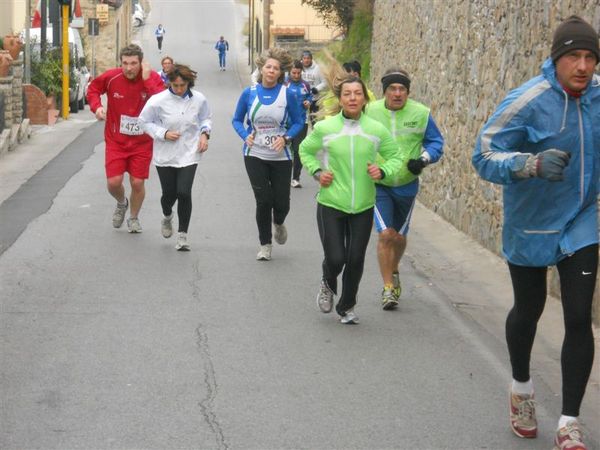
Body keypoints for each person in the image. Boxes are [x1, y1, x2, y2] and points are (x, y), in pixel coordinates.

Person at [472, 15, 599, 450]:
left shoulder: (599, 97)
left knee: (579, 317)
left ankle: (568, 420)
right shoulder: (529, 99)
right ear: (557, 58)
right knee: (529, 309)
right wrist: (529, 164)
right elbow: (483, 155)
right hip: (530, 223)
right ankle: (522, 389)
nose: (583, 66)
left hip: (579, 222)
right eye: (573, 56)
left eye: (590, 57)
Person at [299, 69, 403, 325]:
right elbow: (305, 150)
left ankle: (347, 306)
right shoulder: (326, 128)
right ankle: (327, 281)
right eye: (348, 94)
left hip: (364, 205)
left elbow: (396, 156)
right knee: (336, 258)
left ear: (365, 99)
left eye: (358, 94)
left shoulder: (375, 129)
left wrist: (383, 170)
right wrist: (317, 172)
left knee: (355, 259)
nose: (353, 98)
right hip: (331, 202)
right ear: (341, 99)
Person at [366, 68, 444, 310]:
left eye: (402, 90)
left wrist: (423, 159)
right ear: (385, 91)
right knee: (385, 234)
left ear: (408, 93)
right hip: (379, 184)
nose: (397, 93)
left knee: (399, 237)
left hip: (407, 185)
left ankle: (394, 268)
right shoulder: (371, 111)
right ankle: (388, 288)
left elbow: (436, 142)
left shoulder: (421, 114)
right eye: (393, 89)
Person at [231, 47, 304, 261]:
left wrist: (286, 138)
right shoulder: (249, 93)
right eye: (268, 67)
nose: (271, 71)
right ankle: (265, 244)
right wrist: (245, 135)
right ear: (261, 69)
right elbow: (236, 119)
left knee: (282, 203)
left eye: (276, 69)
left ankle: (279, 222)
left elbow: (299, 121)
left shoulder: (287, 94)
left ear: (281, 73)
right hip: (254, 154)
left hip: (281, 156)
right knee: (263, 200)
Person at [87, 44, 164, 233]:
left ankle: (134, 218)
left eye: (133, 63)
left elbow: (163, 102)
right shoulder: (112, 77)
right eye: (125, 63)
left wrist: (146, 80)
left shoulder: (151, 78)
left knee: (137, 182)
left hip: (142, 142)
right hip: (116, 140)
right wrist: (97, 107)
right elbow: (92, 89)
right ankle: (122, 203)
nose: (129, 68)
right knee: (113, 182)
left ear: (141, 63)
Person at [139, 64, 212, 251]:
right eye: (175, 85)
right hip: (165, 154)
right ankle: (167, 215)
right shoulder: (158, 100)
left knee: (184, 192)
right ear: (169, 83)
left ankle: (182, 236)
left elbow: (205, 118)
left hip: (189, 152)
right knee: (169, 194)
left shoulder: (199, 99)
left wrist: (205, 134)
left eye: (183, 85)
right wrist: (163, 133)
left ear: (189, 83)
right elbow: (144, 121)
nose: (179, 89)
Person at [284, 60, 312, 188]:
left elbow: (310, 97)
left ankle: (295, 178)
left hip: (301, 122)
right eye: (294, 73)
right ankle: (283, 176)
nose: (296, 75)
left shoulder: (305, 85)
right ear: (289, 72)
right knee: (285, 150)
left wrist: (308, 102)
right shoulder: (284, 83)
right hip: (286, 123)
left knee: (298, 150)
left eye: (298, 73)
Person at [300, 50, 326, 125]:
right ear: (302, 59)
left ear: (311, 59)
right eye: (304, 58)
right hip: (302, 100)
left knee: (315, 121)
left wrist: (317, 88)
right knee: (303, 122)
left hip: (315, 99)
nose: (306, 60)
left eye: (308, 58)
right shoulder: (299, 68)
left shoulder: (318, 68)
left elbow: (325, 82)